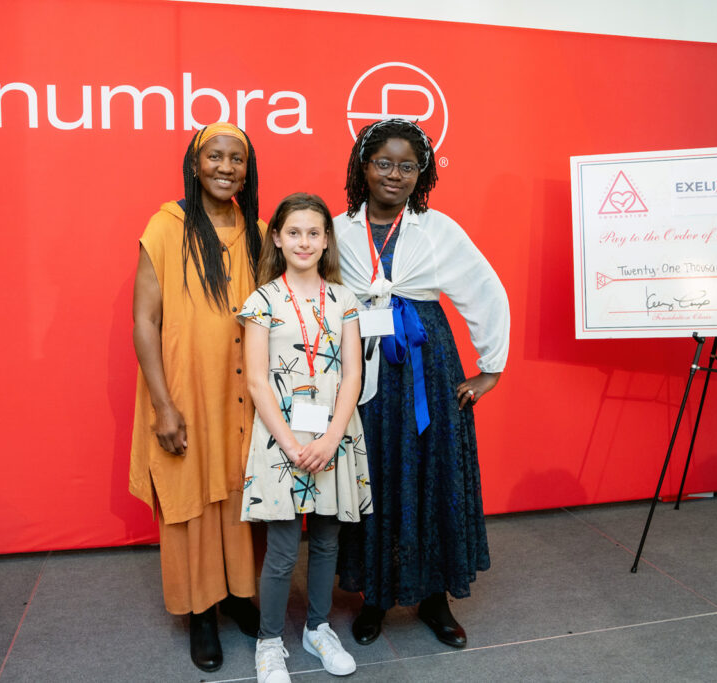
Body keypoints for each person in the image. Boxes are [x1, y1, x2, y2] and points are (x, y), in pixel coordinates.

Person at [333, 119, 510, 648]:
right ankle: (376, 598)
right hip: (363, 370)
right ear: (363, 168)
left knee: (433, 476)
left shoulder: (438, 229)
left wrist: (490, 368)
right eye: (383, 163)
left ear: (423, 172)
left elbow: (485, 288)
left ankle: (436, 598)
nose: (394, 174)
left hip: (427, 366)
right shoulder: (338, 228)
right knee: (375, 476)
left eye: (407, 166)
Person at [129, 122, 264, 673]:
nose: (226, 166)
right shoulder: (167, 225)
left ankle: (236, 594)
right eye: (215, 156)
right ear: (194, 163)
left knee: (240, 495)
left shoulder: (258, 231)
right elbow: (144, 318)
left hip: (242, 394)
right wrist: (163, 405)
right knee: (191, 500)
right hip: (185, 390)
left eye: (237, 158)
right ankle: (200, 612)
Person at [238, 193, 371, 683]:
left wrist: (333, 436)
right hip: (281, 443)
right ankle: (269, 642)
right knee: (281, 548)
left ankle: (318, 629)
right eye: (294, 232)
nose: (304, 241)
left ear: (326, 240)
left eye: (314, 232)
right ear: (276, 237)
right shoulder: (262, 301)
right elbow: (255, 380)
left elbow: (353, 376)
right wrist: (294, 446)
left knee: (329, 540)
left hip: (335, 437)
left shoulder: (344, 300)